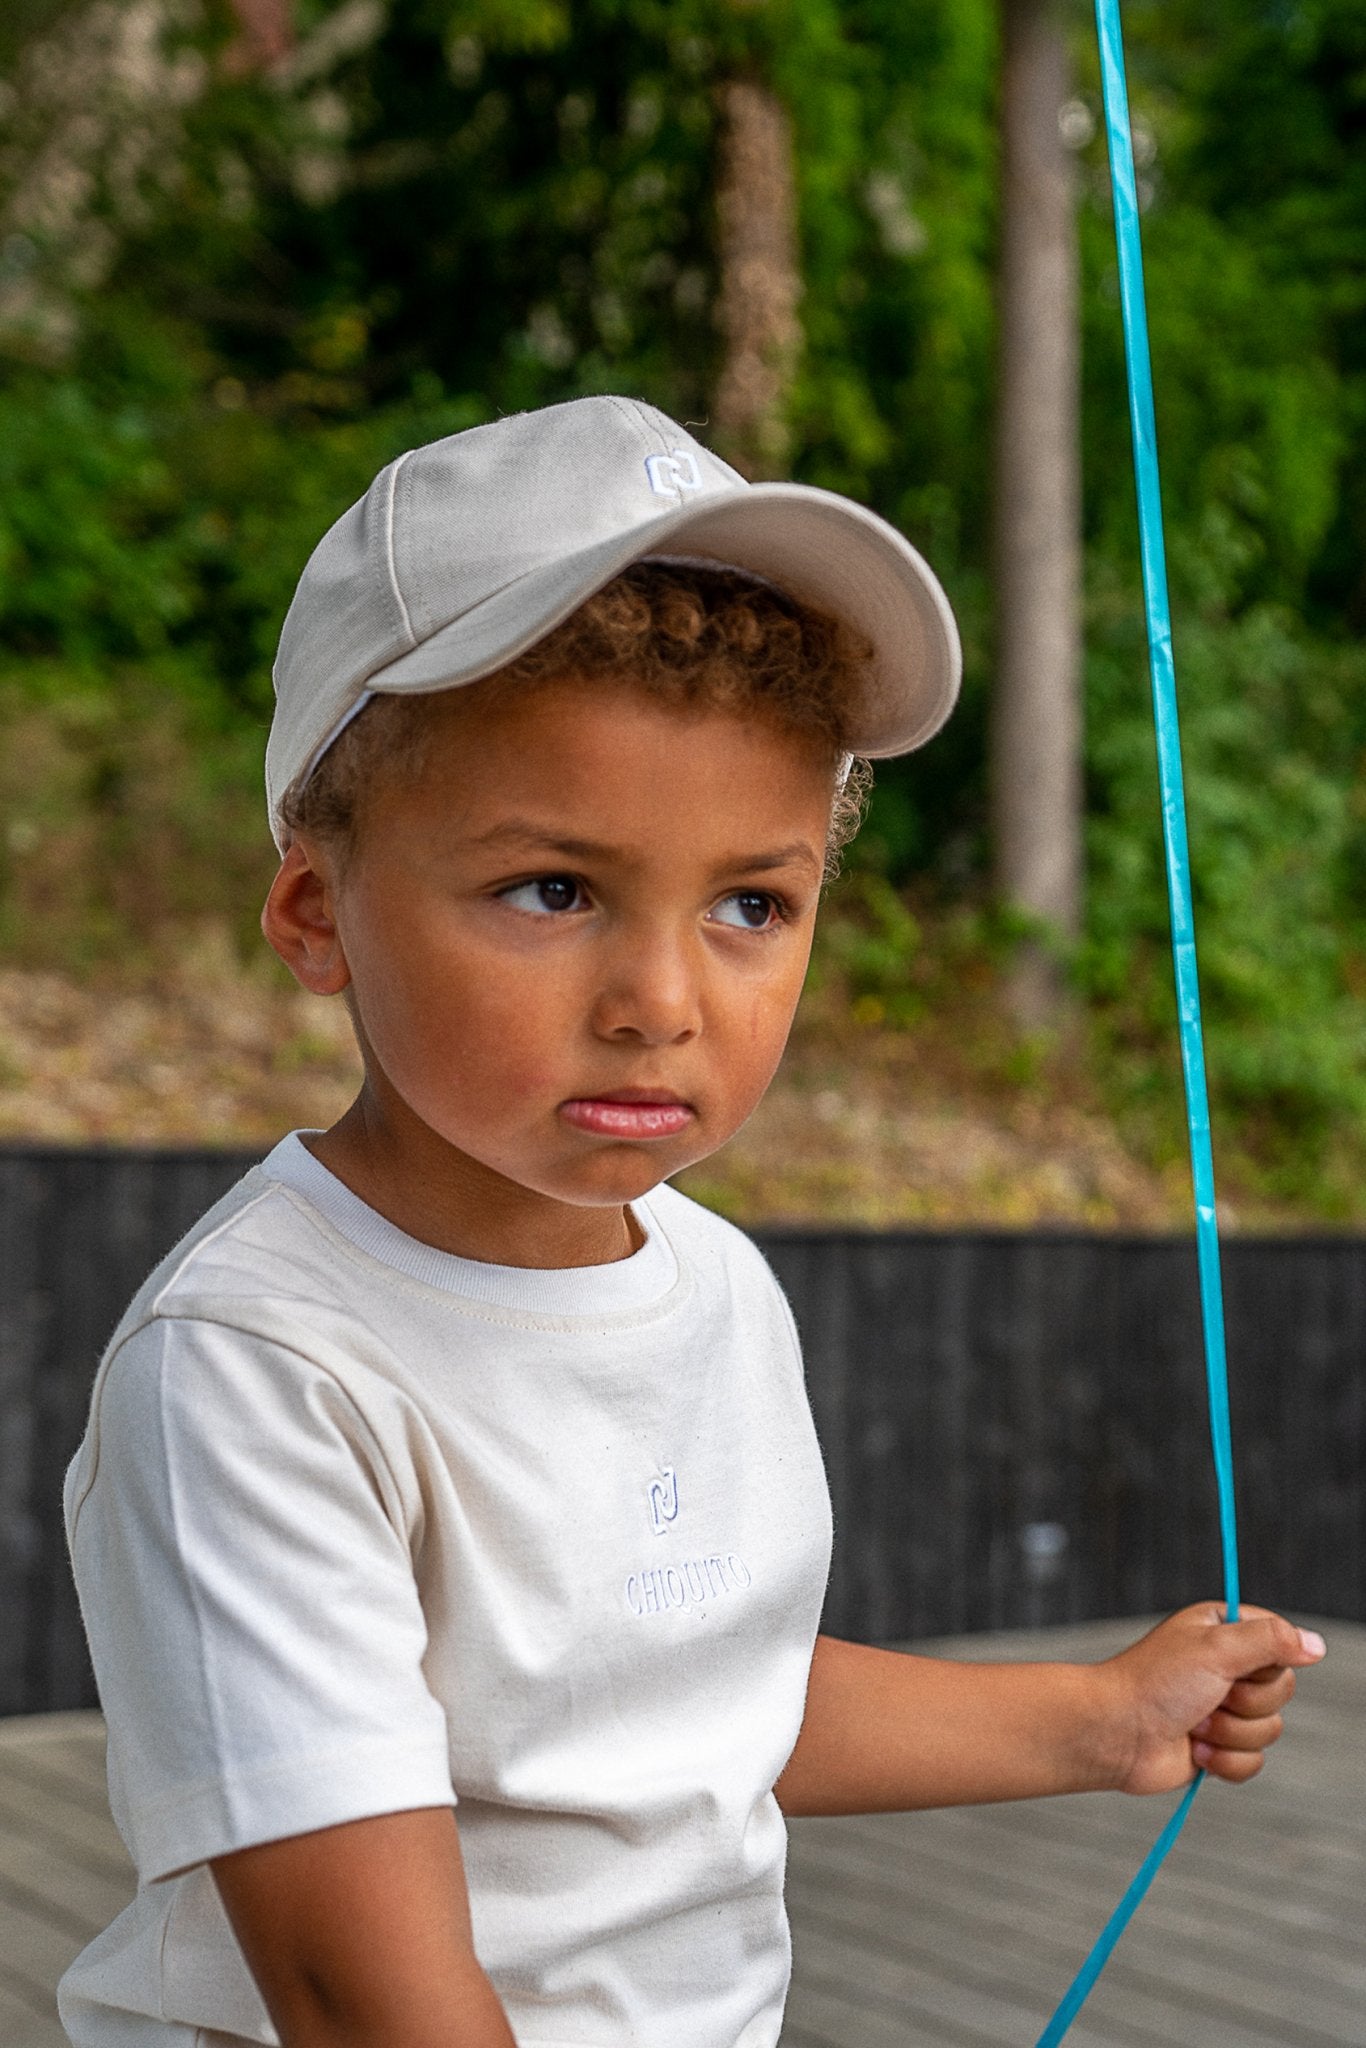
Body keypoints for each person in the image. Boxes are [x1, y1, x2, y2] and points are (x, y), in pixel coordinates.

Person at [59, 396, 1325, 2048]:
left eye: (750, 903)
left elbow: (676, 1704)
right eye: (553, 890)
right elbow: (354, 1998)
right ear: (319, 912)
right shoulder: (255, 1367)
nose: (660, 1001)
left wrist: (1093, 1718)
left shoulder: (713, 1283)